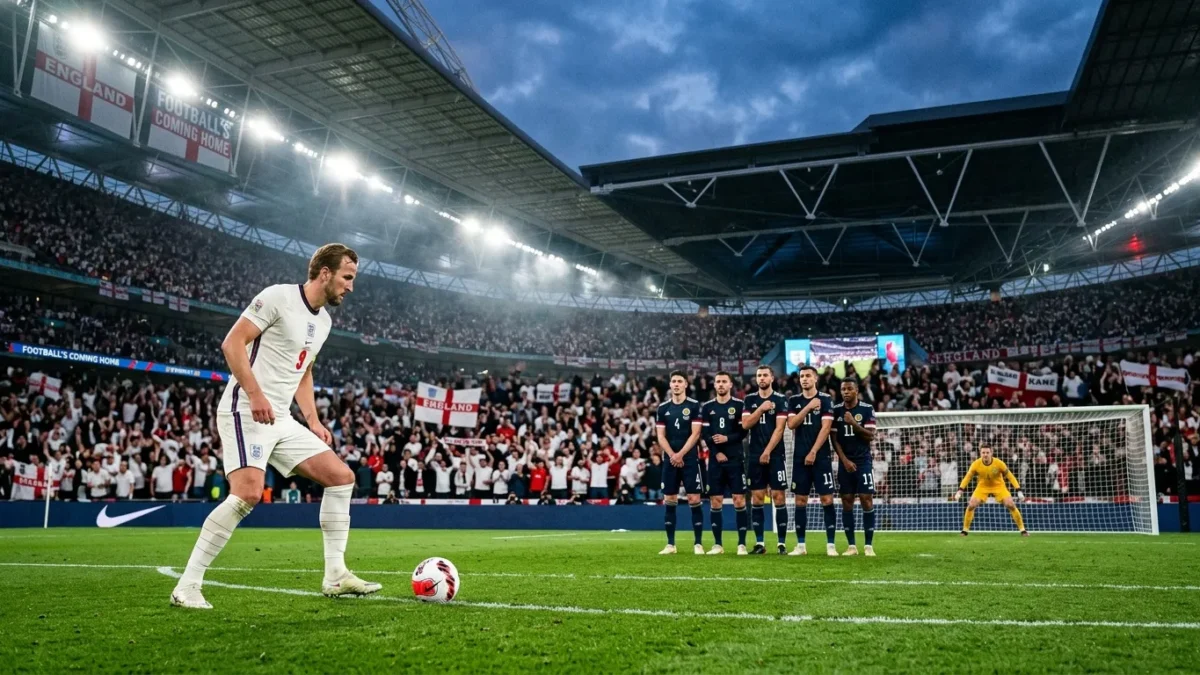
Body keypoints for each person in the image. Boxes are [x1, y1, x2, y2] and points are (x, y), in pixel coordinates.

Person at [170, 244, 381, 610]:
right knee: (248, 494)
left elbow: (304, 371)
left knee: (341, 478)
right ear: (325, 273)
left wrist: (313, 420)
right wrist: (254, 394)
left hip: (281, 417)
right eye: (347, 277)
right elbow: (232, 343)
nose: (351, 286)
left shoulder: (324, 322)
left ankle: (335, 575)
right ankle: (187, 586)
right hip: (246, 409)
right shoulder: (278, 297)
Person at [786, 365, 838, 556]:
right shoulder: (794, 400)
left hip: (821, 456)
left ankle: (831, 545)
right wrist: (808, 407)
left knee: (827, 499)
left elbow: (826, 428)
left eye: (808, 376)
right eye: (802, 376)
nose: (804, 379)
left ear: (815, 378)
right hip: (800, 457)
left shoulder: (825, 399)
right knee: (800, 500)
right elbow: (791, 424)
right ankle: (801, 545)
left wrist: (814, 451)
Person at [655, 371, 704, 555]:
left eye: (679, 381)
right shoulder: (662, 408)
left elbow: (696, 433)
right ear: (670, 385)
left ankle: (698, 543)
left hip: (689, 459)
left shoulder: (694, 405)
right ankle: (670, 544)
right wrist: (672, 455)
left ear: (685, 384)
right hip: (670, 459)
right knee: (670, 499)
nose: (676, 384)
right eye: (673, 381)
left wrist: (681, 454)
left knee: (694, 499)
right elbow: (660, 436)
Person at [742, 365, 789, 554]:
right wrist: (761, 409)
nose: (761, 378)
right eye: (759, 375)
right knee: (758, 498)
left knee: (779, 497)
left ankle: (781, 544)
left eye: (765, 375)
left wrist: (768, 451)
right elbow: (746, 424)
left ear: (772, 378)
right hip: (754, 455)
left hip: (775, 454)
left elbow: (780, 429)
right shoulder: (750, 399)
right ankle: (760, 543)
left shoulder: (780, 400)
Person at [699, 371, 747, 555]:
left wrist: (727, 438)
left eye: (724, 381)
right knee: (716, 500)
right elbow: (705, 434)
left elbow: (743, 432)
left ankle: (741, 544)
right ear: (714, 385)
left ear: (730, 384)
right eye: (718, 381)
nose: (720, 384)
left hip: (735, 459)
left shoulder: (739, 405)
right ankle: (717, 544)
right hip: (715, 461)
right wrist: (717, 452)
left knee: (739, 499)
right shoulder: (707, 407)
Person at [832, 379, 877, 556]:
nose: (846, 392)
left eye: (849, 389)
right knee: (847, 501)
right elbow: (834, 439)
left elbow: (870, 436)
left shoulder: (867, 409)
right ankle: (851, 546)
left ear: (856, 390)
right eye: (843, 389)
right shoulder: (836, 410)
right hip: (845, 463)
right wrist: (844, 460)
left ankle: (868, 545)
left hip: (863, 461)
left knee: (866, 499)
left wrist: (853, 423)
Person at [954, 445, 1029, 537]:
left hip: (999, 486)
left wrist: (1018, 490)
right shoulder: (976, 464)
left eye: (987, 452)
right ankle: (965, 530)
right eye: (983, 452)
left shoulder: (999, 463)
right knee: (971, 505)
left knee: (1010, 504)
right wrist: (960, 490)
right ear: (980, 453)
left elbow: (1010, 476)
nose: (985, 455)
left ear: (991, 453)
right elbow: (967, 477)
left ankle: (1022, 529)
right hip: (982, 486)